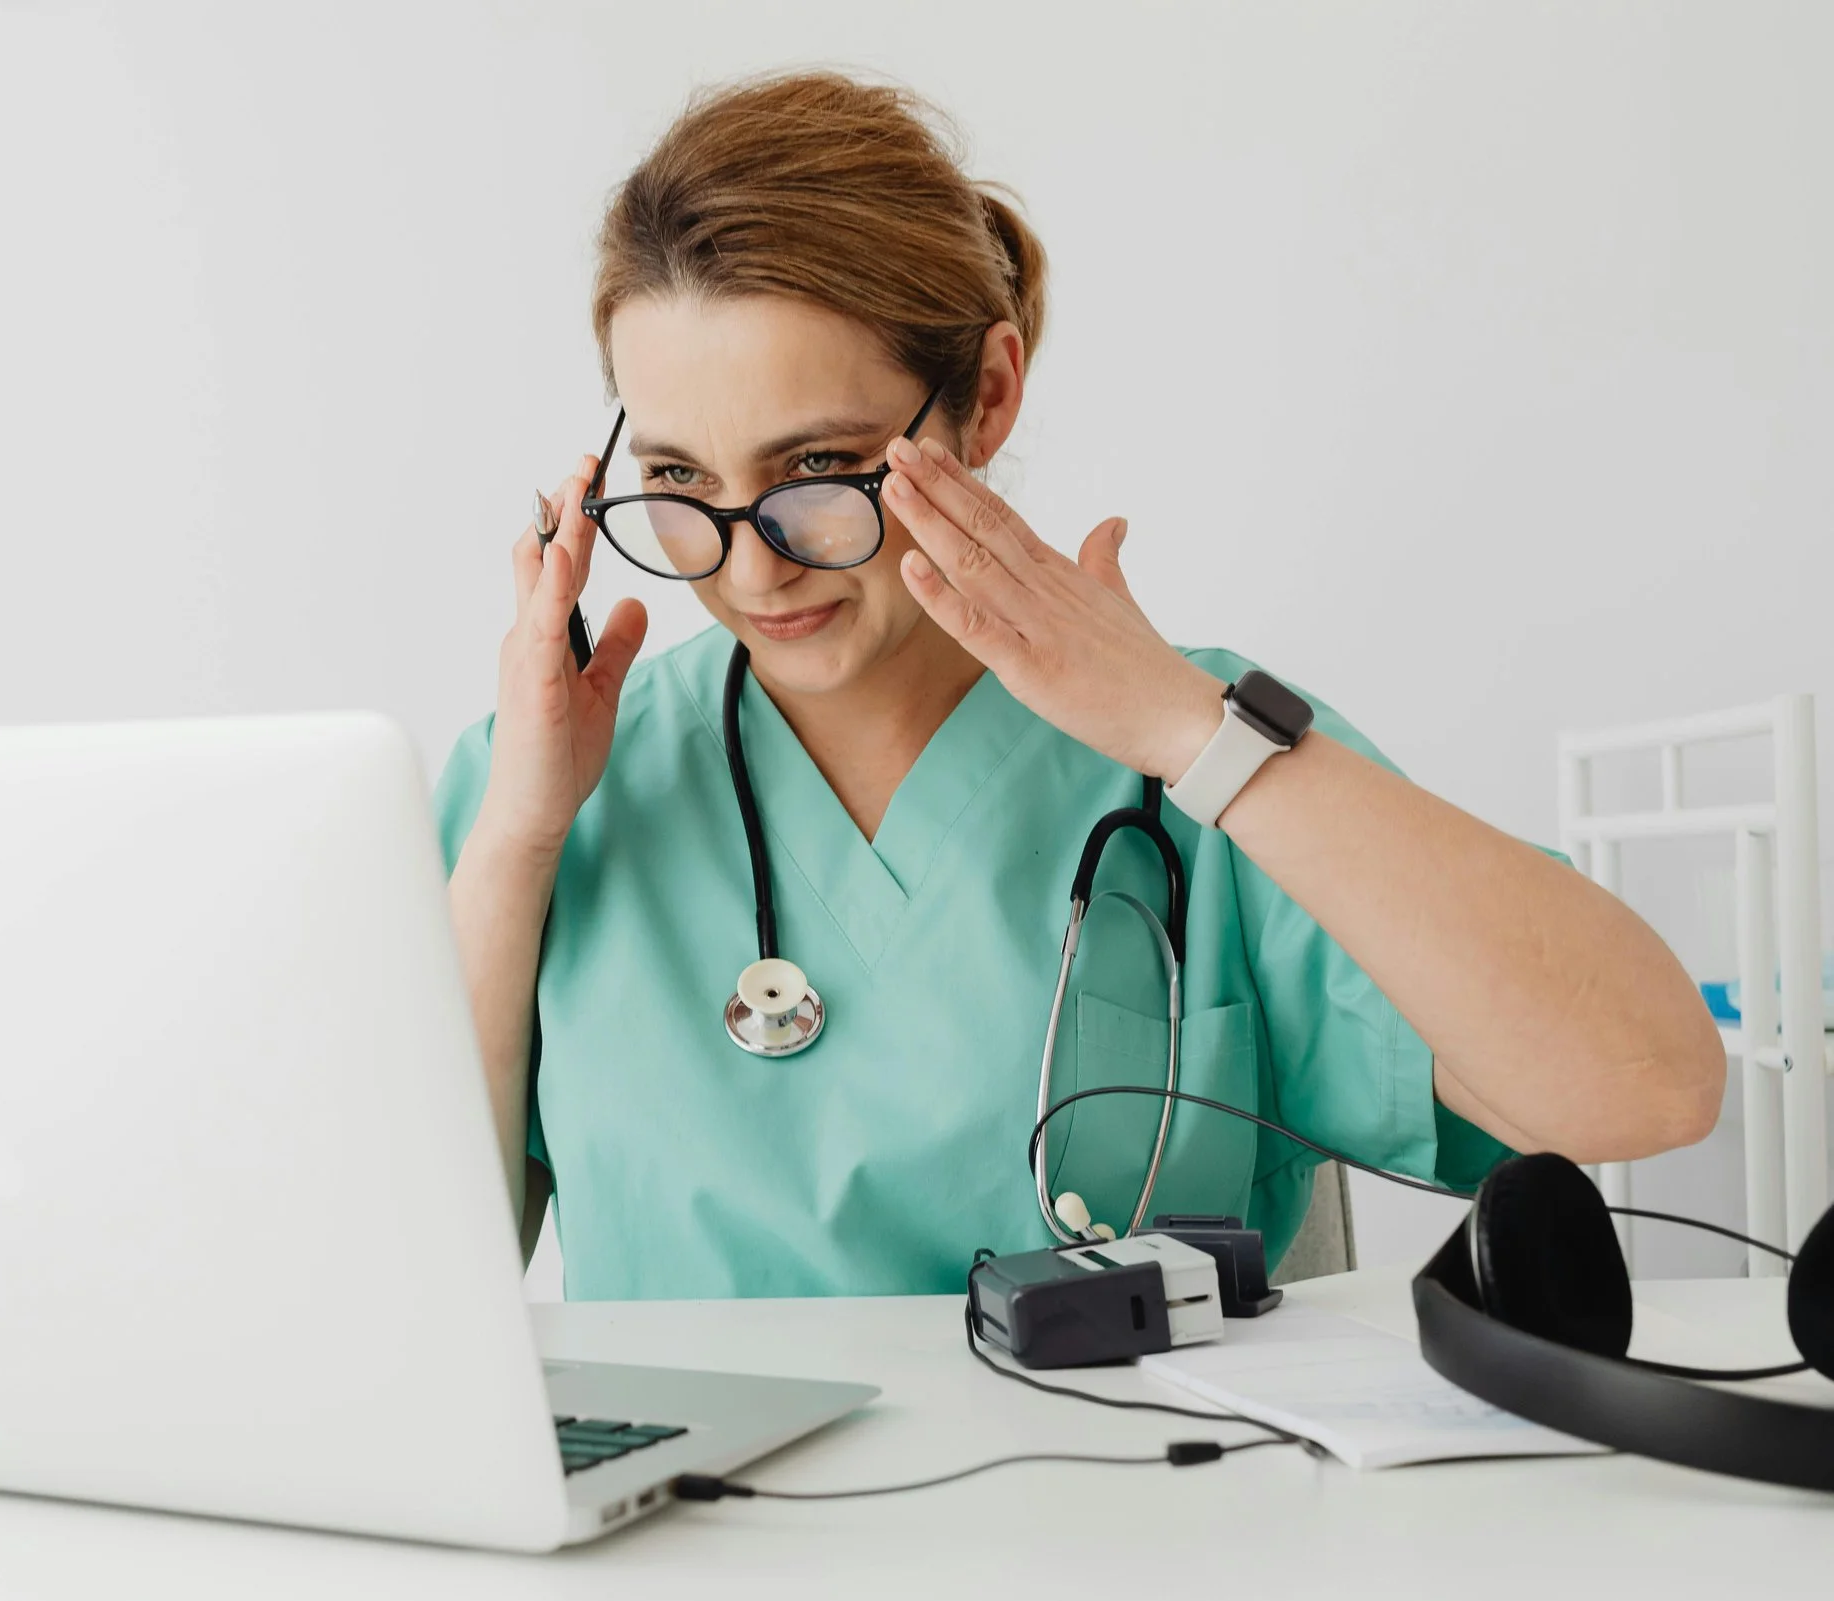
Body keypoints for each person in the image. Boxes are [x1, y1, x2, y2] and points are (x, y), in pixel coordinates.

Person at [436, 68, 1721, 1299]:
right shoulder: (552, 776)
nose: (753, 564)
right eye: (675, 483)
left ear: (983, 396)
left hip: (1131, 1515)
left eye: (816, 463)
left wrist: (1191, 734)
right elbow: (399, 1275)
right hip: (690, 1522)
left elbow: (1647, 1085)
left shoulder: (1205, 753)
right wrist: (517, 838)